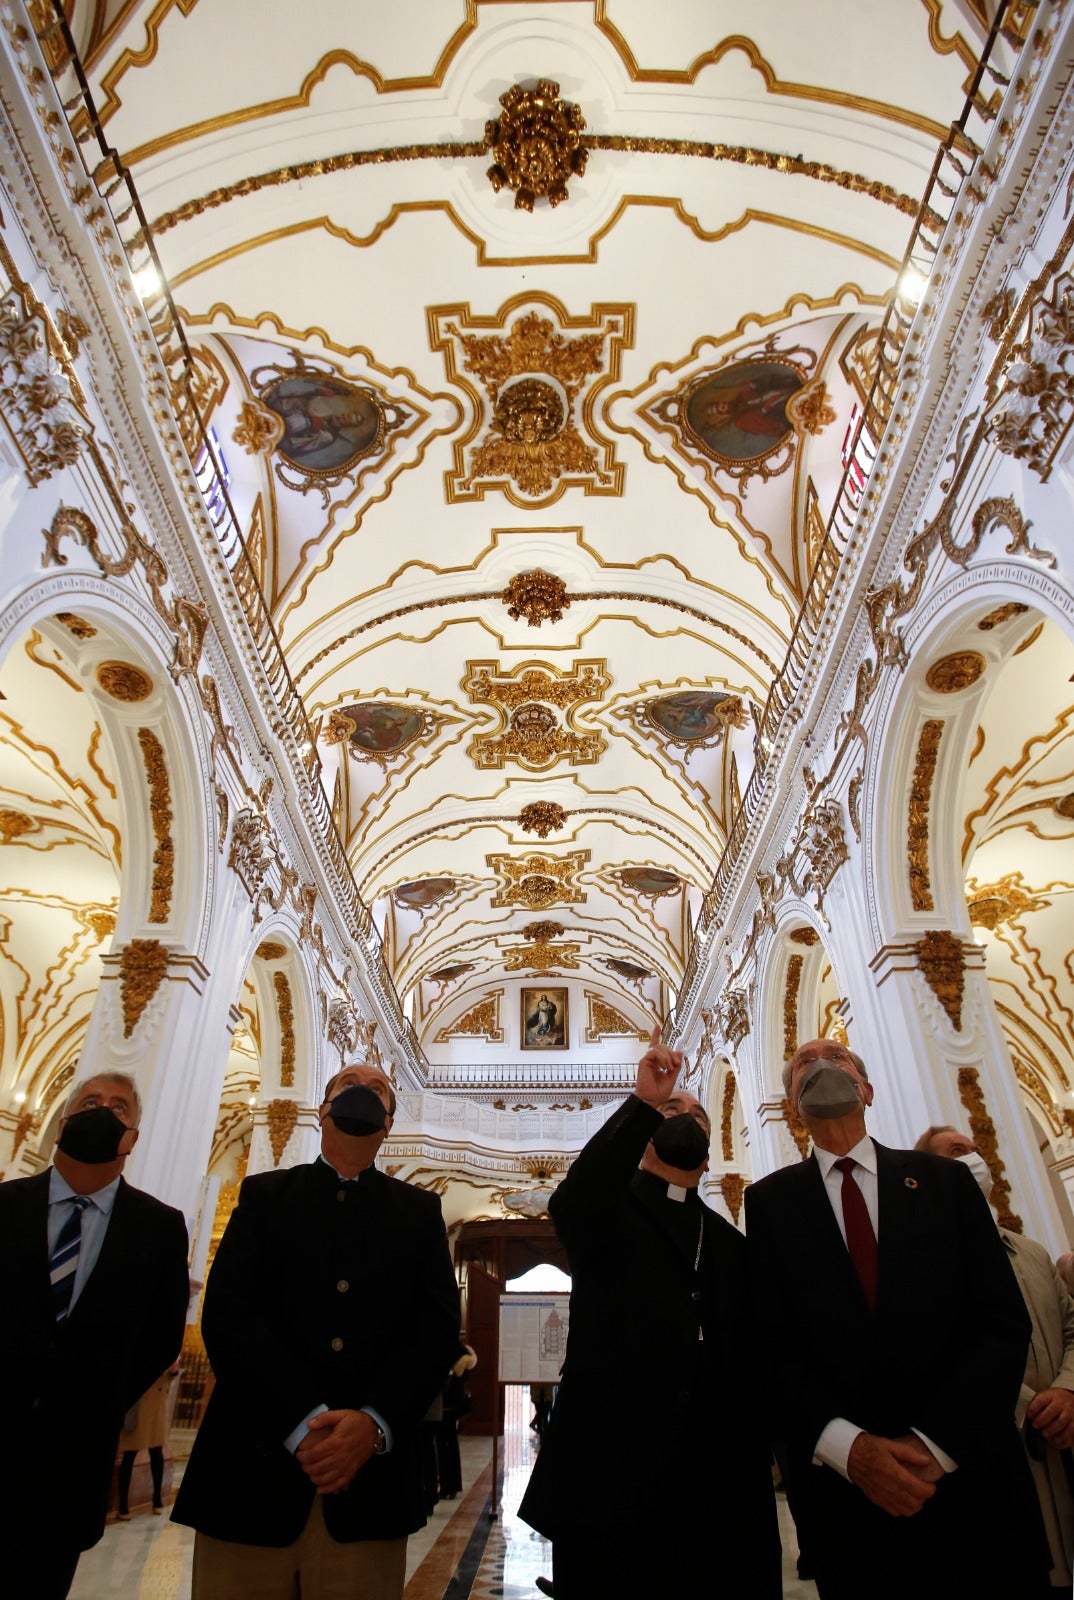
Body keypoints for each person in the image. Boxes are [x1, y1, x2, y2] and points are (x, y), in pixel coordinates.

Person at [745, 1038, 1049, 1600]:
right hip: (850, 1498)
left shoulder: (944, 1182)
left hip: (969, 1481)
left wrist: (936, 1445)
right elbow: (771, 1347)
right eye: (803, 1068)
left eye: (836, 1059)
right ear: (792, 1106)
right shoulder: (770, 1204)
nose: (819, 1068)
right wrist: (850, 1449)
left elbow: (1001, 1323)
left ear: (868, 1089)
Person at [173, 1060, 460, 1600]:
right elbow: (230, 1316)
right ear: (323, 1110)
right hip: (249, 1476)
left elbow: (435, 1333)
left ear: (389, 1123)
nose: (364, 1094)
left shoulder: (419, 1213)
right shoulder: (264, 1196)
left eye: (378, 1091)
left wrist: (373, 1424)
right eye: (349, 1085)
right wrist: (301, 1422)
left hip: (369, 1491)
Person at [519, 1026, 781, 1599]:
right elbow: (576, 1195)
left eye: (692, 1109)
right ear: (646, 1135)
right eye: (670, 1109)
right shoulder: (604, 1217)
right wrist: (642, 1101)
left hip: (712, 1472)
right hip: (610, 1468)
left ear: (708, 1137)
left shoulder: (731, 1244)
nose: (682, 1111)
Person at [0, 1070, 189, 1599]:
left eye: (119, 1108)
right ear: (62, 1123)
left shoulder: (158, 1227)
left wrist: (95, 1399)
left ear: (132, 1137)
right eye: (89, 1102)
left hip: (70, 1463)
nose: (102, 1112)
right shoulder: (5, 1204)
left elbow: (160, 1335)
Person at [916, 1124, 1074, 1591]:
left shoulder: (1031, 1252)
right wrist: (1031, 1406)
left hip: (1064, 1433)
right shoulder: (930, 1259)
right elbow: (945, 1347)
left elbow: (1071, 1326)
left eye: (975, 1148)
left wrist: (1066, 1390)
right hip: (1001, 1443)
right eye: (958, 1151)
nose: (974, 1156)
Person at [117, 1363, 179, 1518]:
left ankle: (157, 1499)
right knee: (129, 1455)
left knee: (156, 1452)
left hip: (157, 1405)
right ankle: (123, 1505)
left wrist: (173, 1371)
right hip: (139, 1407)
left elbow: (170, 1376)